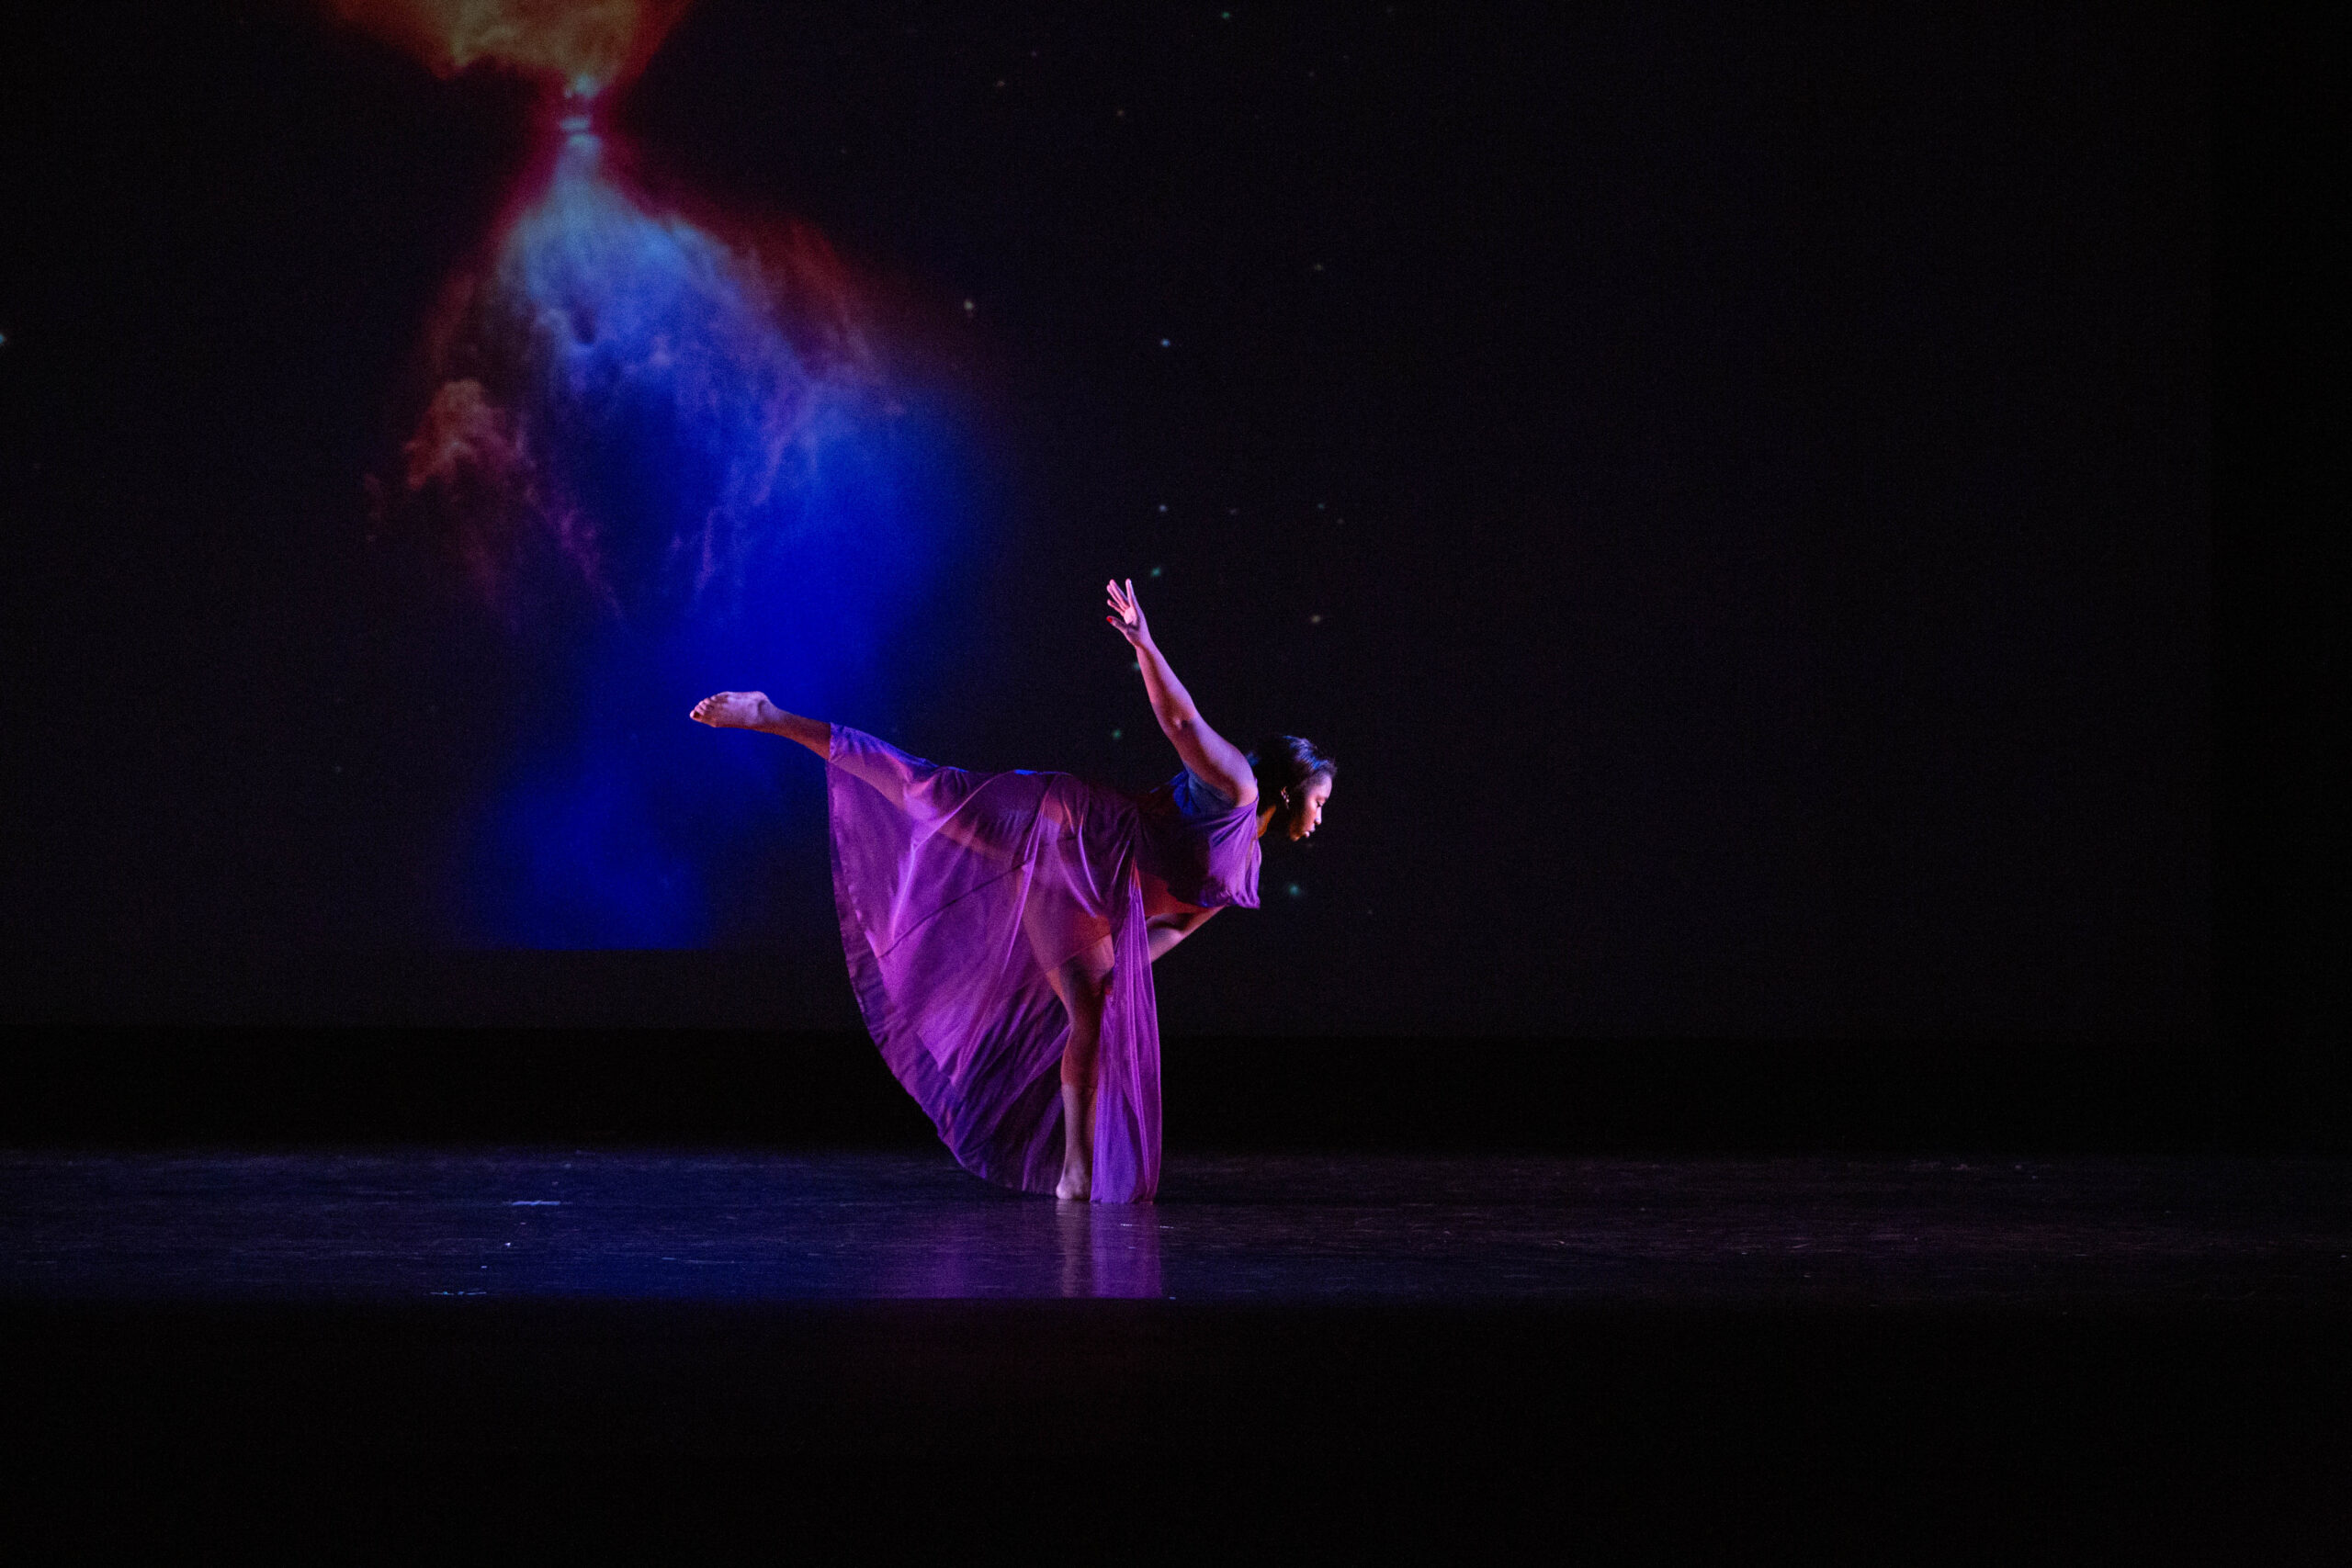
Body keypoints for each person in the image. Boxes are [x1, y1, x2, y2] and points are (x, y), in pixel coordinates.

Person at [690, 579, 1335, 1202]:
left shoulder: (1244, 868)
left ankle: (1075, 1177)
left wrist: (1124, 966)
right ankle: (772, 715)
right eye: (1321, 799)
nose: (1321, 815)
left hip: (1083, 902)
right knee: (930, 793)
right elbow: (1180, 722)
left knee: (1098, 1014)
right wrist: (1145, 644)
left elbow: (1170, 927)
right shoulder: (1238, 792)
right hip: (1061, 827)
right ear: (1289, 785)